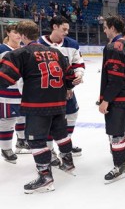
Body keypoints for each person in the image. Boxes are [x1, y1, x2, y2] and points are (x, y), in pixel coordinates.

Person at [0, 20, 75, 194]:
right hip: (58, 102)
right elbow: (70, 78)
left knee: (36, 140)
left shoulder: (20, 53)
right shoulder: (55, 52)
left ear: (23, 35)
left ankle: (45, 177)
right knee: (60, 134)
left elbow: (5, 80)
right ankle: (68, 163)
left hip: (37, 104)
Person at [99, 16, 125, 183]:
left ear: (113, 28)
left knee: (116, 134)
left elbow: (115, 79)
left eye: (105, 27)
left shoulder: (114, 47)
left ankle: (120, 167)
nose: (104, 30)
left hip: (119, 98)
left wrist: (106, 100)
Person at [38, 16, 85, 164]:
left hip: (68, 90)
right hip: (47, 92)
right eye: (64, 29)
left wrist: (78, 75)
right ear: (54, 27)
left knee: (72, 114)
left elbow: (78, 64)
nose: (66, 32)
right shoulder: (38, 44)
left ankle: (65, 145)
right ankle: (50, 149)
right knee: (49, 120)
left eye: (67, 29)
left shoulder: (72, 44)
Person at [0, 25, 30, 164]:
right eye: (15, 32)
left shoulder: (25, 49)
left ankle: (21, 142)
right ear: (8, 33)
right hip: (6, 92)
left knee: (23, 117)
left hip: (24, 92)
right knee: (7, 120)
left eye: (20, 32)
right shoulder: (2, 49)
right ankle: (6, 149)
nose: (18, 35)